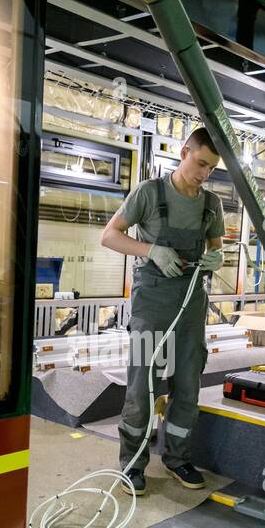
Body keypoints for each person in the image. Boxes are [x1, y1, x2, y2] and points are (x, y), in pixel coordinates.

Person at [99, 127, 225, 496]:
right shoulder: (149, 193)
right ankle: (133, 464)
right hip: (152, 304)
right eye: (200, 163)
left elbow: (216, 246)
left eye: (211, 169)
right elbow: (109, 235)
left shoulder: (212, 204)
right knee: (142, 387)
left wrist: (215, 258)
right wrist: (150, 251)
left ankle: (177, 458)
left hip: (191, 305)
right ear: (185, 151)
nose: (204, 174)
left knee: (188, 384)